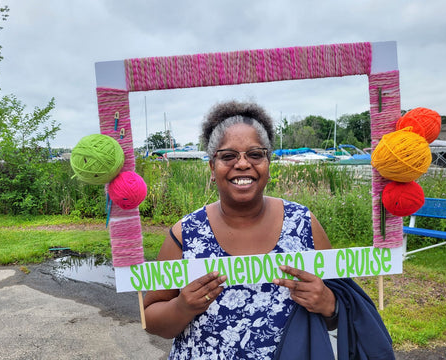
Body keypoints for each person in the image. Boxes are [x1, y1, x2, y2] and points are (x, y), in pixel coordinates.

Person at [143, 101, 391, 359]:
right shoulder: (186, 234)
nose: (242, 164)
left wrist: (329, 304)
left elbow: (341, 307)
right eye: (228, 156)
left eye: (255, 154)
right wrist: (183, 307)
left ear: (268, 163)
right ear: (212, 168)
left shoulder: (303, 223)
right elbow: (151, 319)